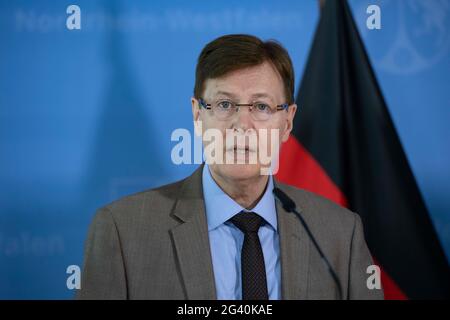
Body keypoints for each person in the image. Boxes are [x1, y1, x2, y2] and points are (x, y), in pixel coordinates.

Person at [77, 34, 383, 300]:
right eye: (225, 105)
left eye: (261, 107)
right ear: (198, 115)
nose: (242, 125)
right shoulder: (122, 232)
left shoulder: (341, 234)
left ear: (287, 122)